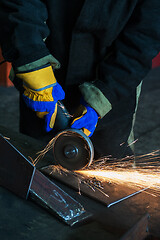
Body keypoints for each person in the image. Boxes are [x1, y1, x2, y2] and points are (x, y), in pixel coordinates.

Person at [0, 0, 160, 160]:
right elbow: (20, 5)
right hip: (44, 71)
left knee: (112, 164)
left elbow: (145, 36)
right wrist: (32, 61)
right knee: (36, 158)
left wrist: (105, 95)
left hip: (115, 82)